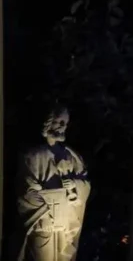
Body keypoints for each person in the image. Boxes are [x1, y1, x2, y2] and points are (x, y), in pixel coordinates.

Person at [16, 105, 91, 261]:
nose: (63, 126)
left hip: (66, 222)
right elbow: (26, 191)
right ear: (48, 122)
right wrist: (44, 215)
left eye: (65, 122)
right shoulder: (33, 156)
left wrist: (75, 186)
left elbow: (85, 185)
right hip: (44, 222)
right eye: (59, 121)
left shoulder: (72, 156)